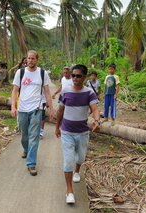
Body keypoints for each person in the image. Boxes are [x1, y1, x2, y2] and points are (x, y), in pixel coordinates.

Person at [55, 64, 100, 204]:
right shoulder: (65, 92)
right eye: (73, 75)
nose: (74, 78)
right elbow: (60, 111)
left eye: (78, 76)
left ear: (84, 77)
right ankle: (69, 192)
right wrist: (57, 127)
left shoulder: (89, 93)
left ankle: (77, 170)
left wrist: (97, 121)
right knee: (68, 161)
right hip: (67, 132)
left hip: (82, 133)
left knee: (80, 158)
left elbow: (95, 108)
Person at [11, 50, 54, 176]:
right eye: (28, 58)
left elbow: (47, 92)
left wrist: (51, 108)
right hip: (22, 109)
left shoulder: (42, 73)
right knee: (24, 135)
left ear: (37, 60)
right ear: (26, 59)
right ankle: (26, 148)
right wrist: (13, 107)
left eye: (33, 58)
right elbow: (15, 91)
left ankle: (31, 164)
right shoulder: (21, 72)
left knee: (34, 137)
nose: (30, 60)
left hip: (37, 108)